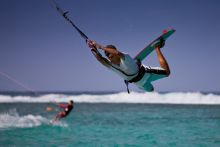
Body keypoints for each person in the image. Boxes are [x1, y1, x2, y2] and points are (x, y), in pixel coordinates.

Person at [87, 39, 170, 93]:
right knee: (151, 90)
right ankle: (136, 63)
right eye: (106, 54)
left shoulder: (125, 57)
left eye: (108, 53)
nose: (107, 55)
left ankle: (156, 47)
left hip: (146, 73)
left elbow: (117, 53)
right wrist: (92, 48)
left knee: (167, 72)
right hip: (138, 83)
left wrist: (100, 47)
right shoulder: (111, 65)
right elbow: (100, 59)